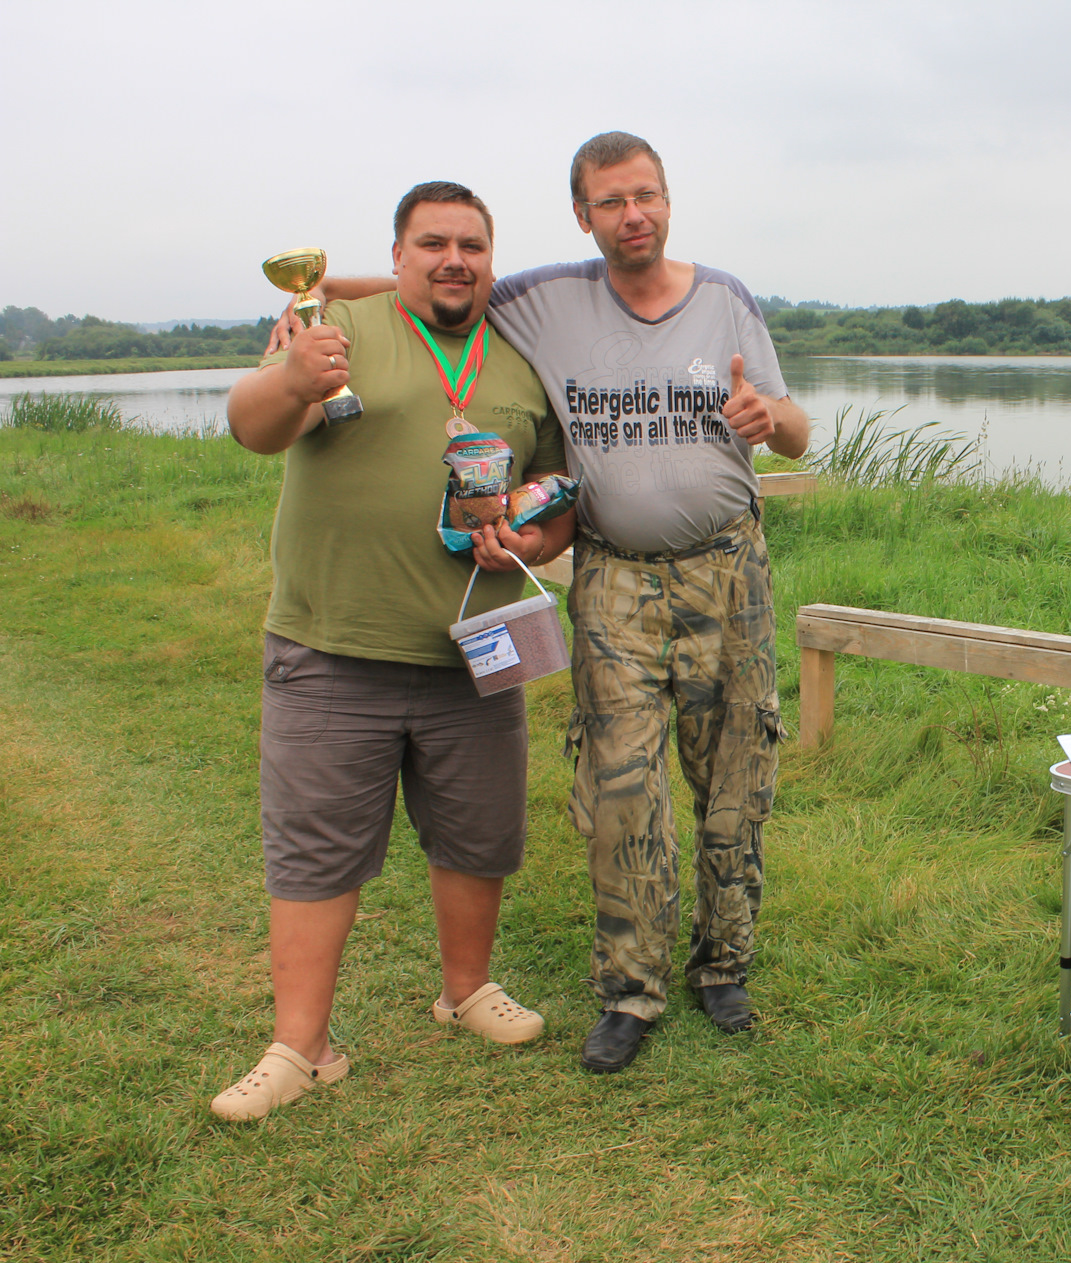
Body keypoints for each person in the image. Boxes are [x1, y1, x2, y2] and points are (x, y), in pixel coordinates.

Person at [283, 133, 809, 1074]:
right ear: (583, 216)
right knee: (621, 789)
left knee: (736, 784)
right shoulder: (544, 298)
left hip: (730, 574)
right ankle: (631, 992)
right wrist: (312, 300)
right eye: (611, 202)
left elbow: (797, 430)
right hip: (612, 578)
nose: (632, 214)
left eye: (645, 195)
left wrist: (774, 422)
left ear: (668, 201)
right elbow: (442, 284)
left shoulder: (725, 298)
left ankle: (722, 966)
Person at [217, 181, 574, 1120]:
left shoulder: (526, 356)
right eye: (432, 244)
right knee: (316, 848)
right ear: (399, 252)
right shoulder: (336, 328)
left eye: (471, 245)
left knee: (478, 832)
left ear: (492, 258)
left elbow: (554, 489)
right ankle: (302, 1046)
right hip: (334, 642)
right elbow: (255, 428)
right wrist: (294, 379)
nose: (453, 259)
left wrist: (536, 538)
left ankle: (467, 991)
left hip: (478, 650)